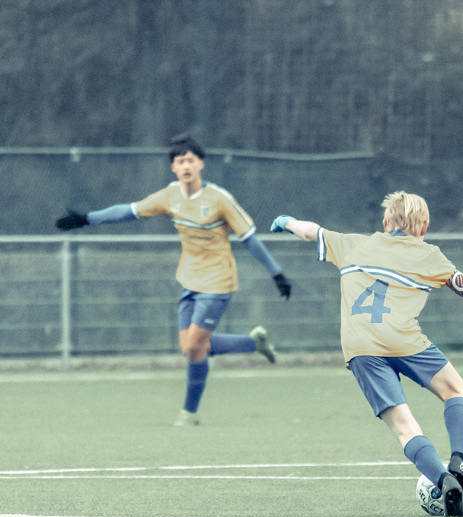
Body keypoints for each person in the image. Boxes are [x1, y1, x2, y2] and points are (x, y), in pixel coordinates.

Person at [270, 191, 463, 517]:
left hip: (362, 348)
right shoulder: (430, 256)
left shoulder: (352, 244)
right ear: (424, 227)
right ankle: (460, 461)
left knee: (404, 426)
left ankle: (444, 481)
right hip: (406, 341)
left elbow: (310, 232)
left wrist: (287, 222)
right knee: (455, 390)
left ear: (385, 224)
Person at [55, 135, 292, 427]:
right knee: (190, 347)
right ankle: (252, 342)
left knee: (194, 346)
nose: (186, 166)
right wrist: (86, 219)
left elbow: (250, 239)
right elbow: (129, 211)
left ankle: (188, 414)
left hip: (218, 282)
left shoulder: (219, 199)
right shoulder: (170, 196)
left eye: (191, 160)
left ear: (201, 164)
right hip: (188, 282)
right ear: (173, 168)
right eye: (180, 161)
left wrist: (276, 273)